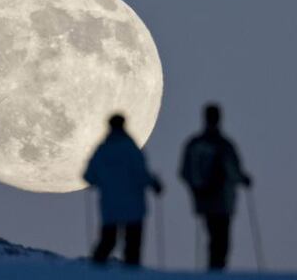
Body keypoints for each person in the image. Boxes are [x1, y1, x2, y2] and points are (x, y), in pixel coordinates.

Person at [179, 104, 252, 271]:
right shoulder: (224, 144)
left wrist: (196, 188)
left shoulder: (194, 144)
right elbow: (233, 170)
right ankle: (217, 269)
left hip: (203, 199)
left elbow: (184, 172)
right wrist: (243, 179)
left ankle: (214, 268)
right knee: (222, 238)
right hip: (223, 200)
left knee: (213, 235)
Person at [84, 114, 162, 266]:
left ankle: (95, 269)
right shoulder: (130, 148)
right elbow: (141, 173)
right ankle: (130, 273)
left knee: (108, 241)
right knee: (132, 247)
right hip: (133, 205)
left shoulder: (102, 150)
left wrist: (103, 180)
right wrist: (155, 184)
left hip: (110, 205)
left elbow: (89, 176)